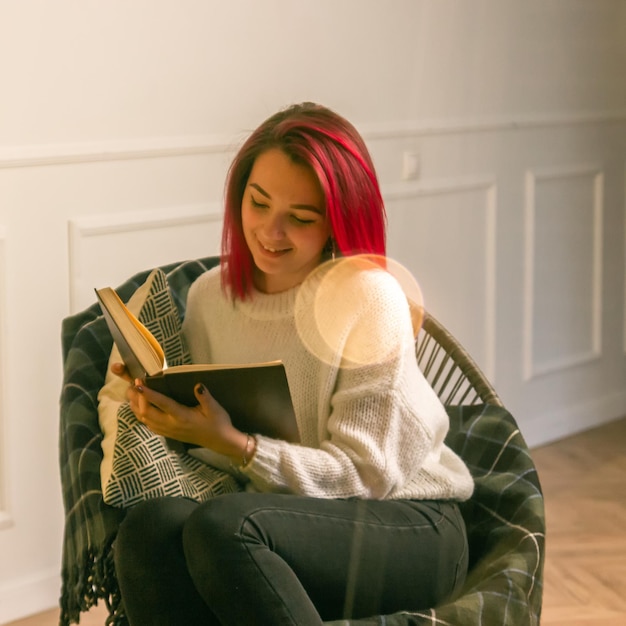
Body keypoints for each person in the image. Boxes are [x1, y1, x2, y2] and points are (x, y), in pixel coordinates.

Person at [112, 102, 473, 625]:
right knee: (152, 527)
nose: (269, 232)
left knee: (224, 527)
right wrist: (163, 408)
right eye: (257, 204)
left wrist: (237, 446)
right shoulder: (210, 298)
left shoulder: (368, 298)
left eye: (300, 218)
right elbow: (214, 445)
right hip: (272, 518)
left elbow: (365, 477)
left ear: (336, 223)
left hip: (404, 519)